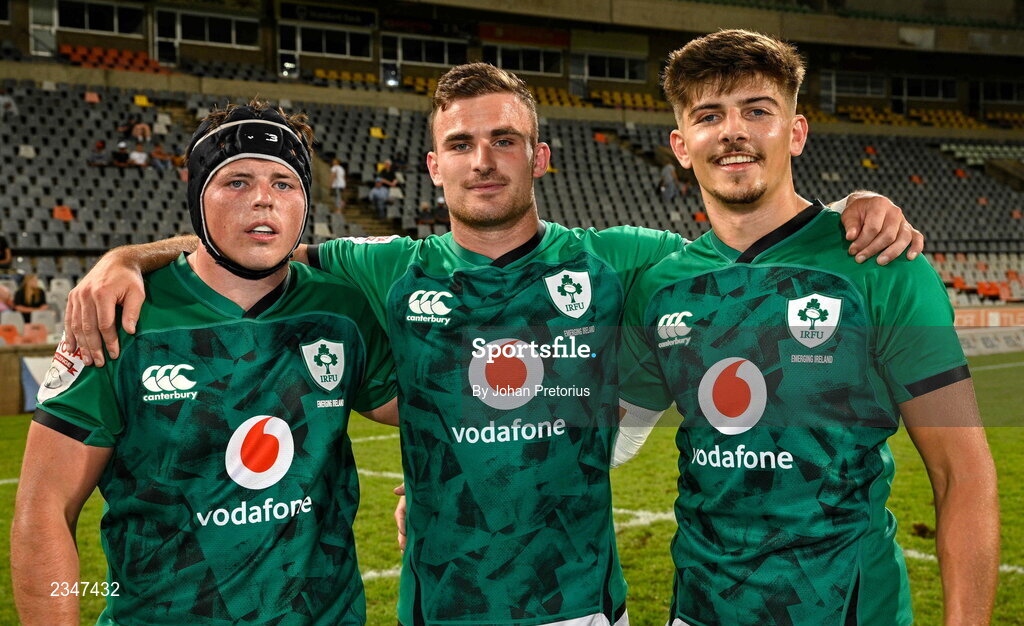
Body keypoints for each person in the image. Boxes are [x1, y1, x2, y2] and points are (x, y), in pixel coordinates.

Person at [63, 64, 921, 626]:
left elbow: (748, 232)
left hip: (582, 604)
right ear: (432, 166)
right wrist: (124, 258)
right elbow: (251, 244)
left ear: (541, 157)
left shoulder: (621, 260)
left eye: (504, 139)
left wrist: (852, 204)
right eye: (461, 144)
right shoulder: (381, 268)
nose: (484, 159)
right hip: (444, 606)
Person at [616, 30, 998, 625]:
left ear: (795, 133)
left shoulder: (881, 266)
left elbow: (962, 473)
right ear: (681, 145)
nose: (733, 131)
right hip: (699, 609)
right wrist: (445, 470)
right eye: (709, 115)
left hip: (847, 609)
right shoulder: (660, 286)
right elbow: (609, 438)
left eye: (758, 111)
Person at [11, 100, 399, 625]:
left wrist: (429, 484)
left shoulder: (341, 310)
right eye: (236, 181)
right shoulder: (120, 315)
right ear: (198, 196)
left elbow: (432, 408)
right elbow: (45, 511)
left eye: (284, 184)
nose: (264, 198)